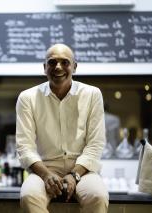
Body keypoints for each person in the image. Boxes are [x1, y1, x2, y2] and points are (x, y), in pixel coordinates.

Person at [16, 44, 109, 213]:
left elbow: (95, 145)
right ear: (44, 68)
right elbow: (24, 147)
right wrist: (45, 174)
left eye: (64, 62)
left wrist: (74, 175)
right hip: (44, 168)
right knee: (29, 196)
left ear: (74, 66)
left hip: (83, 170)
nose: (58, 67)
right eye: (52, 62)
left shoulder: (92, 94)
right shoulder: (27, 98)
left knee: (98, 197)